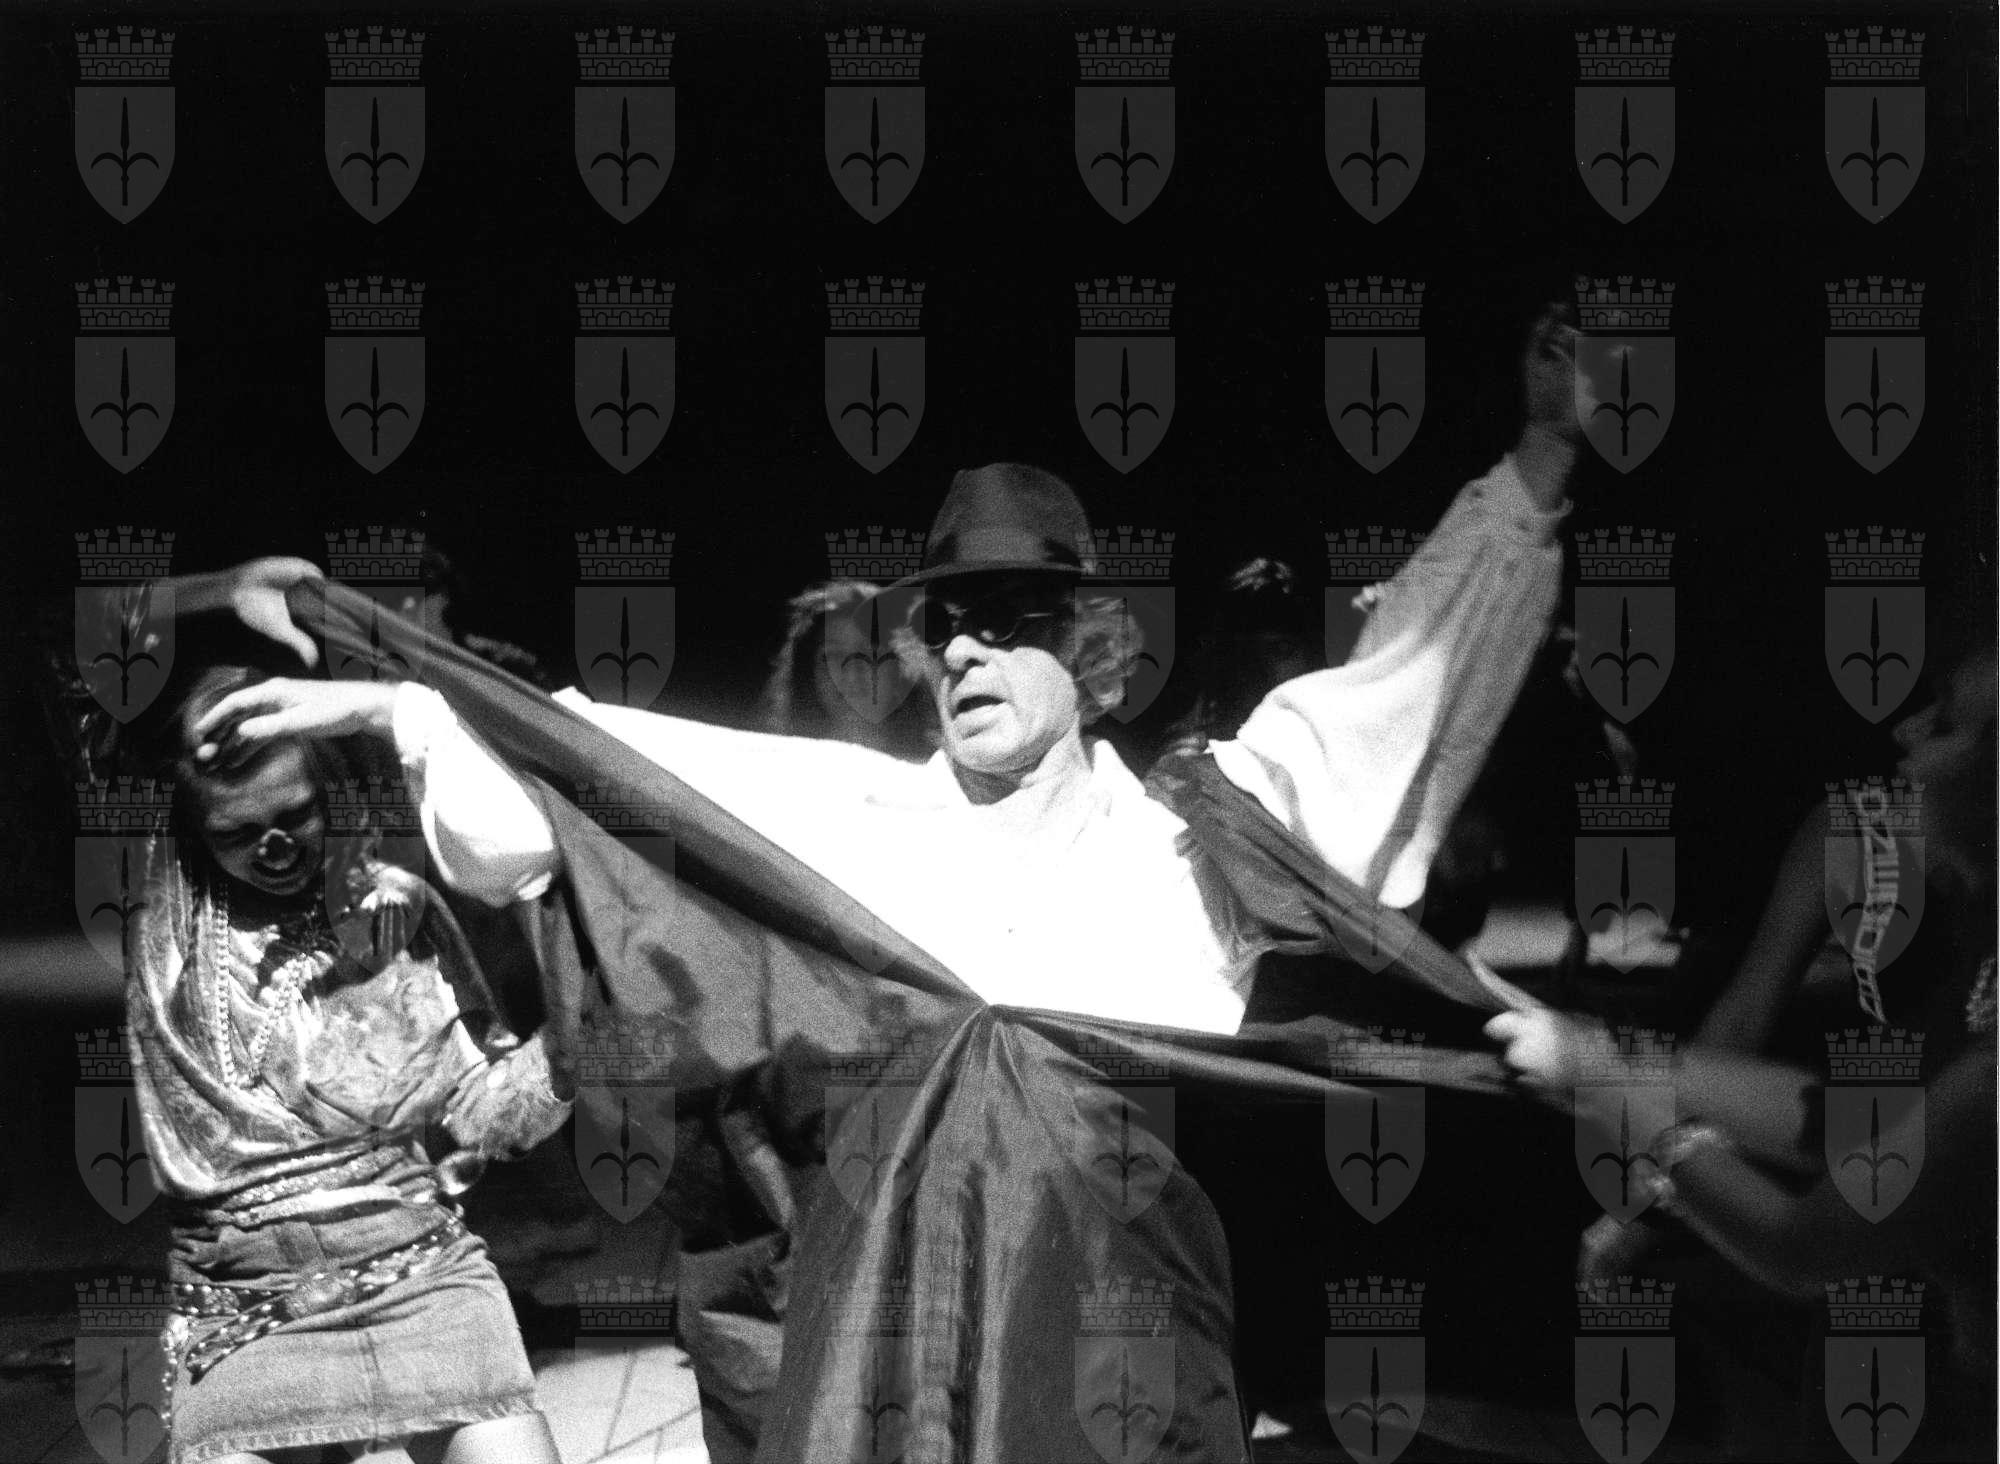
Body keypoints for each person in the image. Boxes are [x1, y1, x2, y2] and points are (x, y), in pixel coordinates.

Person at [193, 305, 1588, 1459]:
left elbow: (1399, 686)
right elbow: (607, 767)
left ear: (1093, 646)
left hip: (1131, 1373)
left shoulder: (1199, 835)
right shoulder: (856, 819)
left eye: (1012, 618)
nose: (969, 649)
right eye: (947, 623)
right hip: (908, 1382)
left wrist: (1539, 456)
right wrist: (386, 693)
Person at [122, 625, 570, 1464]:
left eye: (297, 814)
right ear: (190, 834)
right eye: (238, 832)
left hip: (417, 1266)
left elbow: (480, 1119)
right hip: (241, 1285)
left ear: (331, 790)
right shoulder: (164, 914)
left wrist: (570, 1053)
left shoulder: (399, 916)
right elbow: (76, 643)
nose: (276, 847)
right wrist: (229, 587)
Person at [758, 579, 933, 762]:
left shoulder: (936, 770)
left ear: (902, 669)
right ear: (809, 672)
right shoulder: (779, 763)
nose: (852, 675)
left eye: (870, 654)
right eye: (834, 656)